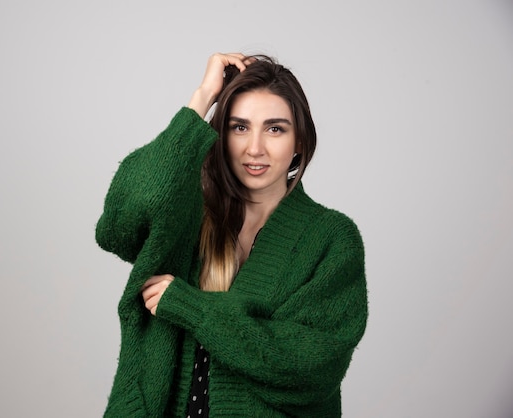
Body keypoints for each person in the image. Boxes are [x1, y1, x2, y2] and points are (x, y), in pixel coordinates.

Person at [95, 52, 368, 417]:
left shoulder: (331, 238)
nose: (255, 148)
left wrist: (190, 307)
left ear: (299, 141)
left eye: (275, 129)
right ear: (220, 136)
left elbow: (311, 366)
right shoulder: (190, 218)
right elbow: (120, 225)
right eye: (239, 127)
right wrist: (202, 98)